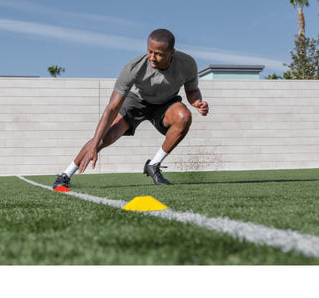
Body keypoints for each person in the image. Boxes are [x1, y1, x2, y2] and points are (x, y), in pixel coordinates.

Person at [53, 29, 209, 188]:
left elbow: (192, 90)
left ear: (172, 53)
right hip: (136, 102)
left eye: (159, 54)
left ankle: (153, 165)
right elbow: (112, 107)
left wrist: (197, 102)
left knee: (184, 117)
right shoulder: (133, 68)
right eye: (150, 51)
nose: (152, 58)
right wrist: (94, 145)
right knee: (107, 137)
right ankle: (65, 175)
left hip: (165, 104)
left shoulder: (187, 64)